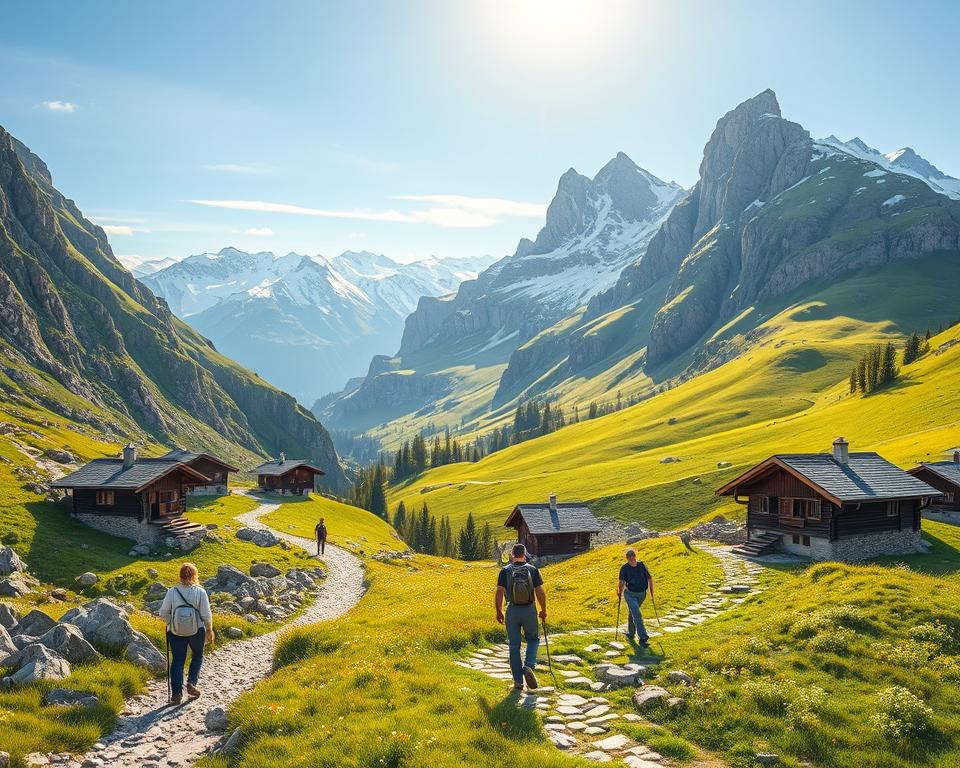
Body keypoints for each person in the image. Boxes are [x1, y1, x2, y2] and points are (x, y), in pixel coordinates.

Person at [159, 562, 214, 705]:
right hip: (197, 630)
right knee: (197, 655)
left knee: (178, 660)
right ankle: (191, 683)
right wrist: (209, 629)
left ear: (180, 575)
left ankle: (176, 694)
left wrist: (172, 622)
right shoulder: (200, 592)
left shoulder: (172, 591)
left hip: (176, 631)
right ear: (195, 575)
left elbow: (163, 613)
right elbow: (206, 614)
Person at [495, 543, 547, 691]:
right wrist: (543, 610)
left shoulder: (505, 571)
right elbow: (540, 592)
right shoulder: (533, 569)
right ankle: (529, 666)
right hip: (529, 610)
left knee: (514, 646)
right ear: (525, 554)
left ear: (512, 554)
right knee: (533, 639)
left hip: (512, 610)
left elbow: (499, 592)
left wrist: (498, 611)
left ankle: (518, 682)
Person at [617, 548, 654, 647]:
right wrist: (619, 592)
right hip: (630, 594)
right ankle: (643, 637)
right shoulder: (624, 568)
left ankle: (631, 633)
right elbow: (621, 582)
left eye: (633, 555)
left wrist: (651, 591)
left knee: (632, 612)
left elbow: (650, 578)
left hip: (642, 594)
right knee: (637, 613)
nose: (632, 558)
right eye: (630, 556)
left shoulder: (642, 565)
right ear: (627, 558)